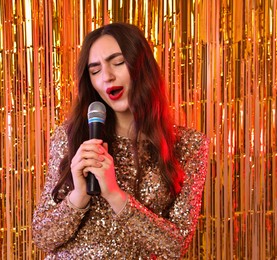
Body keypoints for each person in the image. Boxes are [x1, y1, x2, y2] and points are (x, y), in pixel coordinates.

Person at [32, 22, 209, 259]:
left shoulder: (189, 146)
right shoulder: (71, 137)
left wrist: (115, 194)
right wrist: (79, 195)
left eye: (117, 62)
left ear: (142, 65)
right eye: (95, 70)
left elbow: (174, 247)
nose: (107, 76)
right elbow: (42, 237)